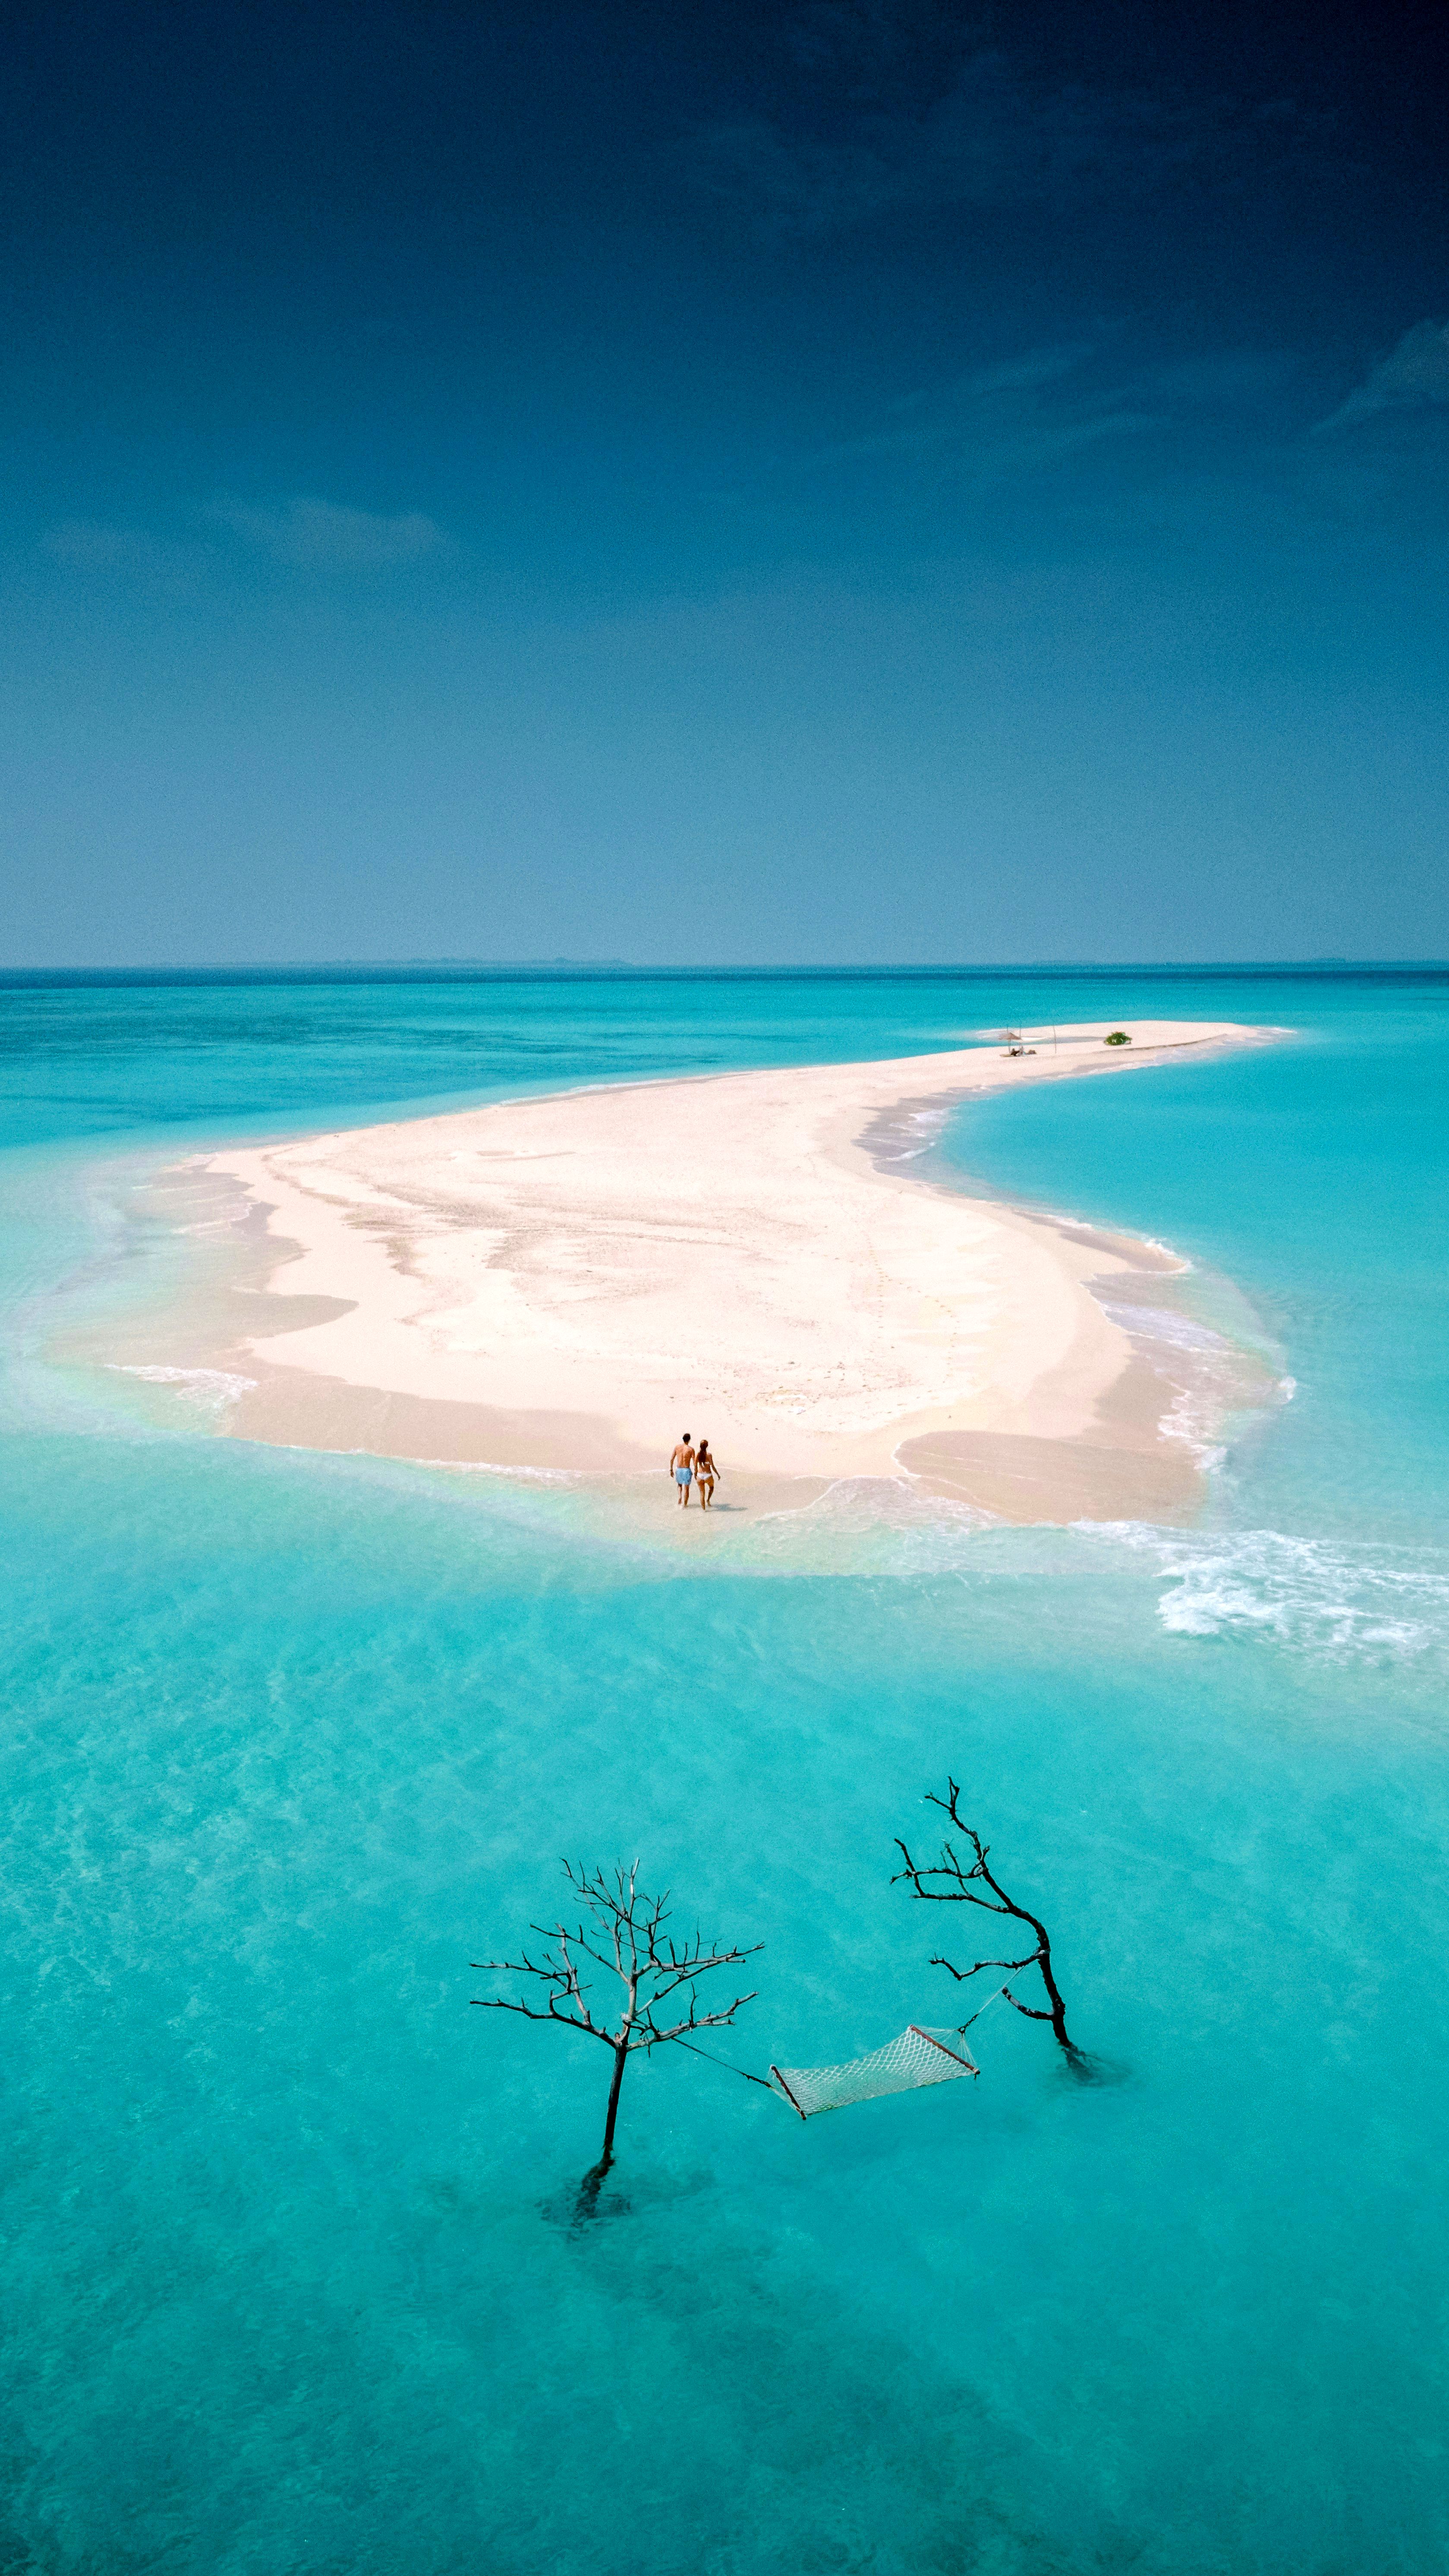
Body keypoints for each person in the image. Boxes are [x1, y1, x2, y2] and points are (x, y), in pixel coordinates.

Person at [669, 1431, 696, 1505]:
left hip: (679, 1469)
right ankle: (685, 1505)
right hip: (686, 1470)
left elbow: (672, 1459)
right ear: (689, 1440)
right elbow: (694, 1461)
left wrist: (671, 1470)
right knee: (687, 1489)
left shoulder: (677, 1447)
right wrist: (696, 1471)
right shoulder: (691, 1449)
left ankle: (680, 1497)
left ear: (683, 1439)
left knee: (680, 1485)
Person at [694, 1439, 721, 1508]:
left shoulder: (697, 1455)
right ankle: (708, 1500)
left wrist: (695, 1475)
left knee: (702, 1494)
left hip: (700, 1476)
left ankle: (704, 1511)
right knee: (712, 1488)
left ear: (700, 1446)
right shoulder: (709, 1455)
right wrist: (718, 1474)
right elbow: (713, 1466)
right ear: (707, 1446)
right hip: (708, 1476)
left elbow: (695, 1467)